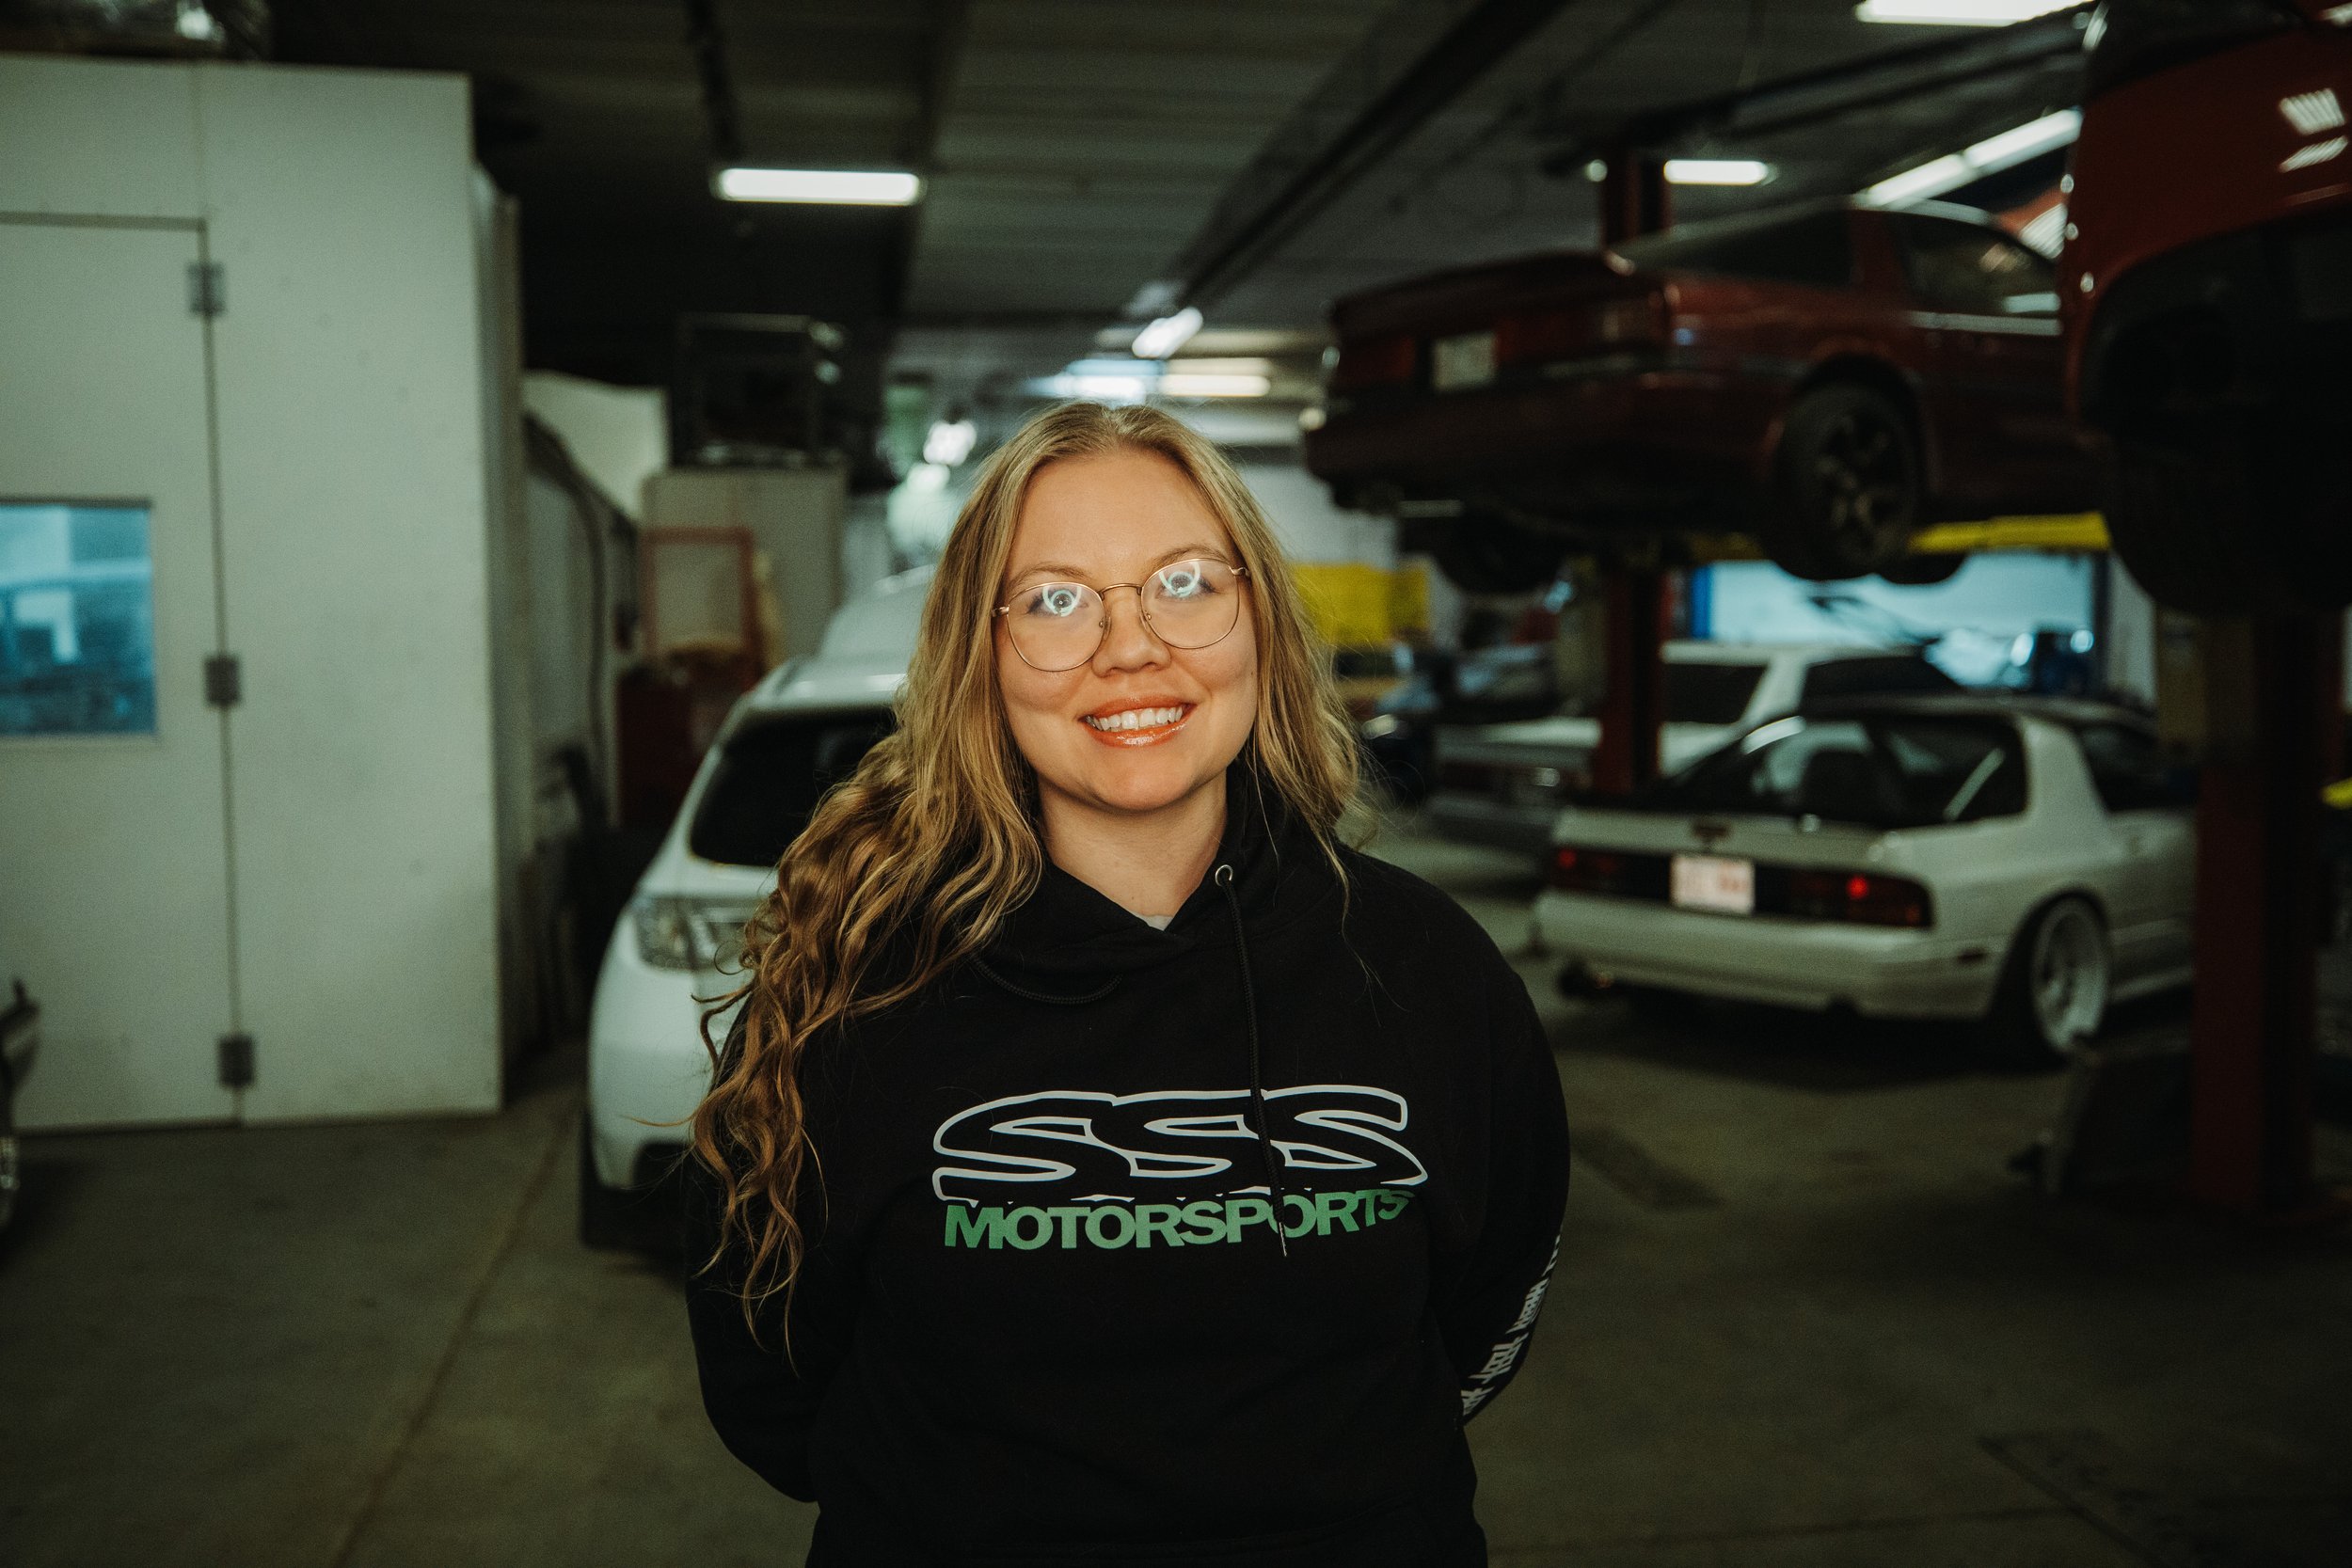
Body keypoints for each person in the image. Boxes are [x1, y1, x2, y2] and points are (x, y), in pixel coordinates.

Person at [685, 402, 1570, 1566]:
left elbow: (1487, 1307)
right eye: (1056, 598)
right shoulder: (854, 988)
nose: (1131, 645)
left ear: (1257, 616)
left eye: (1186, 582)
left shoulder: (1427, 965)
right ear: (980, 654)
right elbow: (768, 1377)